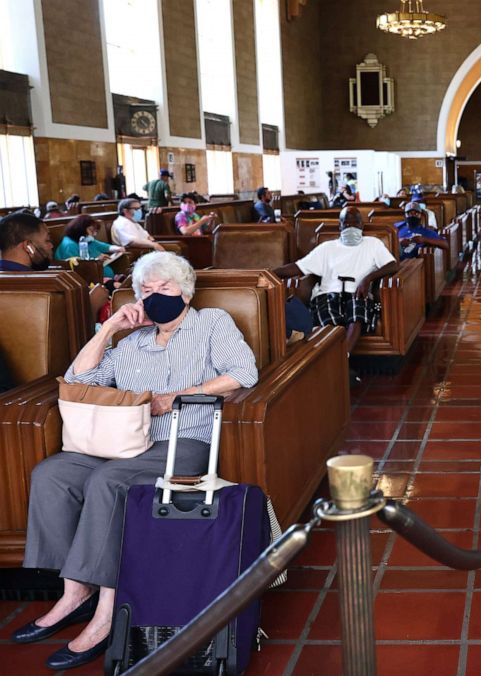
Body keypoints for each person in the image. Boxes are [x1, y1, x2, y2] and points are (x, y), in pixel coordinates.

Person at [14, 252, 258, 670]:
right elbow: (78, 381)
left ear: (186, 290)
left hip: (183, 439)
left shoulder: (212, 323)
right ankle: (75, 591)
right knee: (53, 473)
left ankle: (106, 609)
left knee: (109, 482)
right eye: (146, 289)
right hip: (123, 443)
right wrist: (109, 327)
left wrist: (175, 396)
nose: (154, 296)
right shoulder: (132, 343)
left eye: (164, 288)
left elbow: (243, 373)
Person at [272, 206, 398, 352]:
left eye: (355, 223)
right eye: (346, 223)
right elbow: (298, 267)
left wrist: (367, 279)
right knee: (329, 321)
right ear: (340, 226)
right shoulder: (327, 247)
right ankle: (339, 361)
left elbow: (392, 265)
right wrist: (270, 273)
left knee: (357, 316)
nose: (351, 227)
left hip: (358, 293)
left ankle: (344, 358)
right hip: (328, 294)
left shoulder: (373, 244)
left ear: (361, 225)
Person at [54, 215, 125, 279]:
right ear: (79, 229)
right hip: (90, 281)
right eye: (91, 230)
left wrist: (117, 248)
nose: (94, 234)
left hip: (103, 277)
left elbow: (103, 246)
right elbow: (78, 267)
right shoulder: (69, 245)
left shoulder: (87, 240)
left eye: (96, 231)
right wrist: (96, 260)